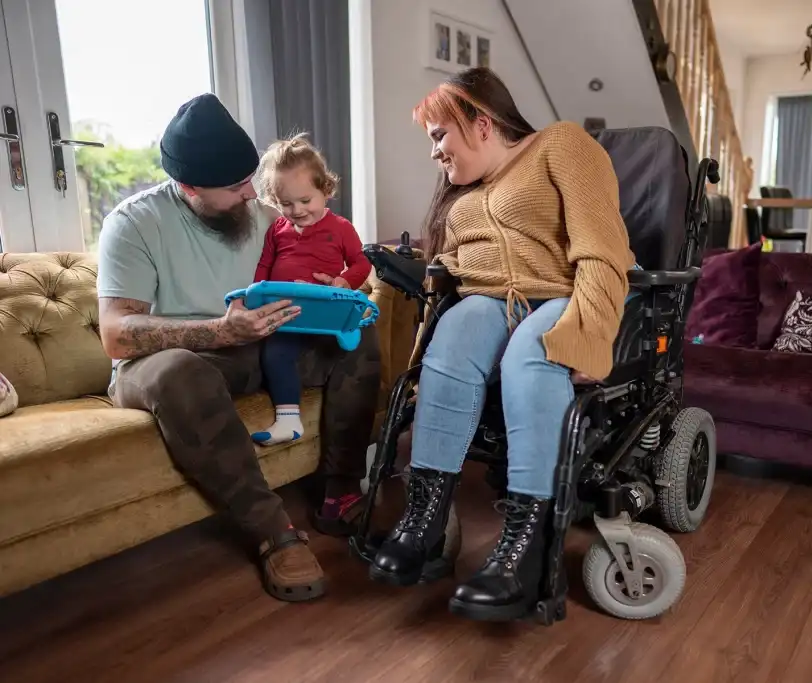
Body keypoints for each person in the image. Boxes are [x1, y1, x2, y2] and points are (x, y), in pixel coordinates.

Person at [369, 68, 635, 622]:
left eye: (439, 135)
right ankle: (424, 523)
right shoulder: (464, 193)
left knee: (529, 352)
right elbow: (465, 270)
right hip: (492, 302)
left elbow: (602, 247)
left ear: (481, 123)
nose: (434, 153)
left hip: (563, 293)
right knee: (453, 338)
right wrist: (418, 270)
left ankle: (526, 554)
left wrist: (589, 332)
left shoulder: (560, 144)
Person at [96, 93, 381, 603]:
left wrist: (335, 292)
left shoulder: (263, 216)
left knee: (355, 336)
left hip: (256, 346)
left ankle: (340, 492)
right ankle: (274, 532)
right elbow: (117, 332)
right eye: (235, 186)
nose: (252, 194)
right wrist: (219, 331)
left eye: (251, 179)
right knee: (179, 372)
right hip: (168, 363)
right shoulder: (135, 222)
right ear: (189, 188)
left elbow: (319, 268)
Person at [250, 134, 371, 451]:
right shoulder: (277, 230)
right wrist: (255, 295)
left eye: (305, 201)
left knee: (349, 350)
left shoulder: (341, 228)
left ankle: (345, 331)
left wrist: (344, 281)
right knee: (274, 353)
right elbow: (265, 264)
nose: (297, 210)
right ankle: (289, 421)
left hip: (324, 306)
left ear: (326, 190)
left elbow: (361, 263)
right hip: (288, 310)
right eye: (286, 204)